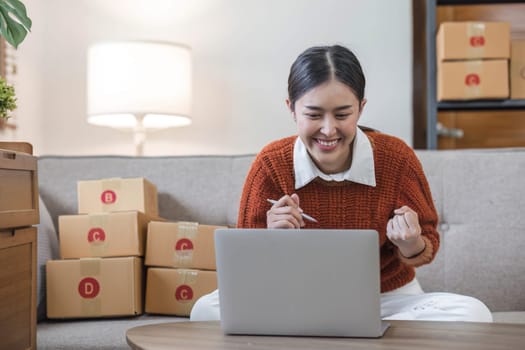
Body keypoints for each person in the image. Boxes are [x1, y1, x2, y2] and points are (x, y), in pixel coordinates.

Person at [190, 44, 492, 322]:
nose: (328, 129)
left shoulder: (396, 158)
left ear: (361, 107)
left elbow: (427, 245)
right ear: (291, 108)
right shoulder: (271, 164)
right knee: (204, 311)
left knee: (474, 314)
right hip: (294, 298)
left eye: (343, 114)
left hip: (386, 300)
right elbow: (247, 269)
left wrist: (410, 243)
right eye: (313, 114)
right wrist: (271, 239)